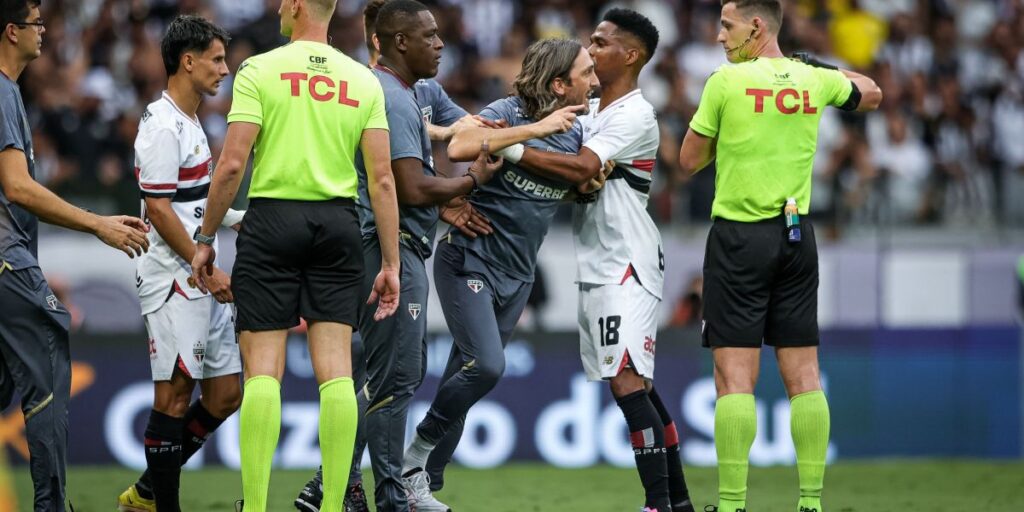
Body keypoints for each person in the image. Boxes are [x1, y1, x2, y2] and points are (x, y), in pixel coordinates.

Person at [188, 0, 402, 510]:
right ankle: (331, 507)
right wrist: (390, 264)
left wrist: (205, 237)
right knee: (337, 373)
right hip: (338, 223)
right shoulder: (362, 79)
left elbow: (234, 162)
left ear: (298, 6)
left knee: (263, 368)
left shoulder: (260, 69)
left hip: (272, 220)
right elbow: (383, 180)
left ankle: (256, 506)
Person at [292, 2, 498, 511]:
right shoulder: (392, 97)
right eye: (429, 36)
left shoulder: (401, 92)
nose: (440, 43)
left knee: (393, 372)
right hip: (390, 247)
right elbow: (405, 184)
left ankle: (332, 485)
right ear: (399, 42)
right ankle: (389, 497)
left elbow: (456, 138)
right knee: (397, 379)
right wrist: (469, 182)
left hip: (393, 244)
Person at [677, 1, 882, 511]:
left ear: (756, 26)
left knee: (734, 379)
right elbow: (872, 93)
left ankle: (731, 506)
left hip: (739, 240)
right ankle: (810, 503)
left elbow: (687, 161)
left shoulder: (725, 82)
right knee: (805, 378)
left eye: (727, 26)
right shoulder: (812, 79)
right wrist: (819, 69)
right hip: (796, 237)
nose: (719, 36)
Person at [496, 8, 694, 512]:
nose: (591, 47)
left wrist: (509, 148)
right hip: (603, 258)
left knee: (627, 380)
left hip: (625, 258)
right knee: (638, 384)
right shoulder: (591, 113)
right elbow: (578, 176)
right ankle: (679, 504)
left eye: (601, 42)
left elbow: (582, 167)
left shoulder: (634, 112)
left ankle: (657, 504)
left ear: (630, 55)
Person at [400, 38, 596, 510]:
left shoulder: (578, 132)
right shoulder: (508, 110)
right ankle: (415, 458)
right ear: (557, 84)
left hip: (518, 274)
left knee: (465, 381)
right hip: (469, 257)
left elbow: (572, 179)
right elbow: (465, 143)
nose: (594, 80)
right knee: (486, 366)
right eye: (585, 73)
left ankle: (419, 487)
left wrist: (582, 187)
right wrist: (534, 129)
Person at [0, 1, 151, 510]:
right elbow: (17, 188)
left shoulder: (10, 91)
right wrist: (98, 224)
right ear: (9, 30)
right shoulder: (0, 91)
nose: (43, 31)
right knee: (47, 355)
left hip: (10, 260)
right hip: (4, 259)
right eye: (34, 22)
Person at [116, 15, 243, 512]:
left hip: (198, 271)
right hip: (173, 276)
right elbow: (160, 209)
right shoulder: (160, 124)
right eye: (216, 59)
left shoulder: (191, 121)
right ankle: (162, 505)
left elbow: (192, 200)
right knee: (173, 395)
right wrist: (203, 267)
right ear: (187, 62)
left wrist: (236, 219)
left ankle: (147, 490)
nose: (225, 69)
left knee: (225, 395)